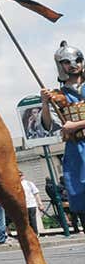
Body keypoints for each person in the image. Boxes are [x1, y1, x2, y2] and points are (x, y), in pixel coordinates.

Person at [41, 41, 84, 229]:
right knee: (80, 196)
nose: (73, 64)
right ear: (61, 65)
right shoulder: (57, 95)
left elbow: (70, 125)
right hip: (75, 150)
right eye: (67, 61)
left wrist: (76, 124)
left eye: (78, 60)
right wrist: (44, 103)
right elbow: (49, 126)